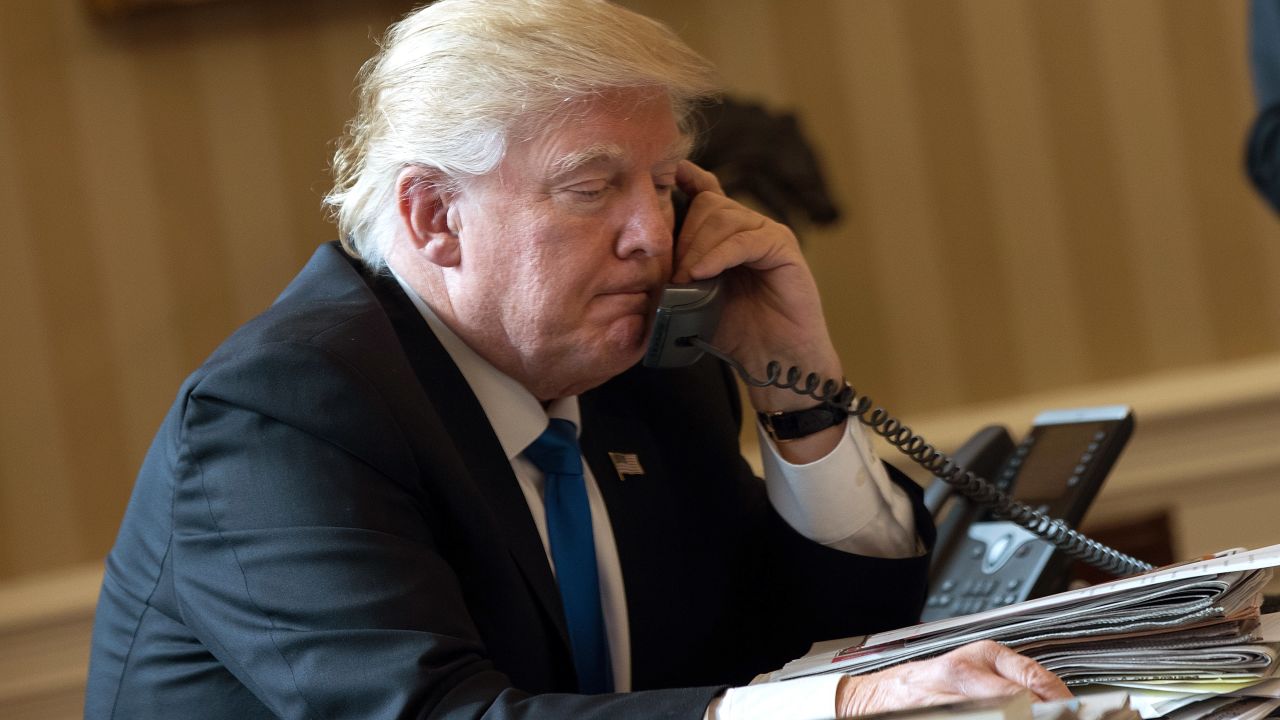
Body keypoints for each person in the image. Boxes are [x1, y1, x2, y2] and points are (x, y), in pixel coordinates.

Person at [84, 1, 1071, 718]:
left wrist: (793, 394)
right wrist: (838, 704)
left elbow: (830, 638)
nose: (652, 234)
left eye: (662, 181)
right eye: (591, 188)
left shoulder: (650, 374)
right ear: (435, 218)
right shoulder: (286, 413)